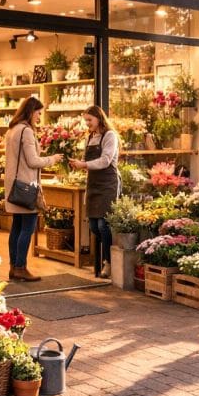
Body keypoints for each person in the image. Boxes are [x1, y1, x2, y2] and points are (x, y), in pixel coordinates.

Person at [4, 97, 62, 282]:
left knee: (17, 227)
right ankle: (21, 267)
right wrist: (52, 159)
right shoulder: (26, 131)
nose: (39, 116)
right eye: (38, 113)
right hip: (26, 187)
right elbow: (32, 161)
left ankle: (14, 267)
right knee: (27, 228)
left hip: (14, 185)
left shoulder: (12, 129)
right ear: (31, 111)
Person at [68, 105, 121, 279]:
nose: (87, 124)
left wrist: (84, 164)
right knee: (93, 226)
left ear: (99, 118)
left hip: (107, 184)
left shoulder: (110, 136)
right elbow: (88, 161)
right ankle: (109, 255)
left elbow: (105, 161)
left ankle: (109, 263)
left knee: (103, 226)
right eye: (86, 121)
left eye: (89, 120)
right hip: (93, 184)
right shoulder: (90, 137)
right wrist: (78, 164)